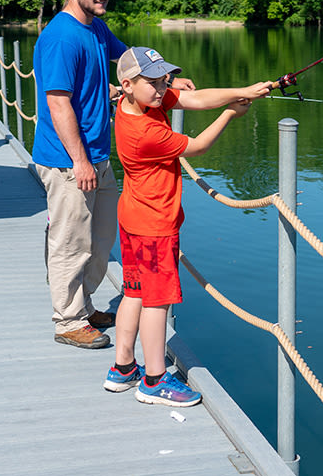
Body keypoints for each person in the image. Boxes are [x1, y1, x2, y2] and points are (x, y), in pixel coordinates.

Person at [32, 0, 195, 350]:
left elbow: (132, 64)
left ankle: (85, 307)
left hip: (98, 155)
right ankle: (68, 320)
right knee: (71, 241)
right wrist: (80, 159)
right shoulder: (60, 37)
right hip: (68, 160)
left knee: (101, 239)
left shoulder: (97, 29)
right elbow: (58, 104)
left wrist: (167, 81)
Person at [103, 46, 272, 406]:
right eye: (154, 82)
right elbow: (196, 146)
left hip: (132, 217)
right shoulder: (144, 130)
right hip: (154, 225)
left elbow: (196, 99)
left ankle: (122, 368)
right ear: (128, 83)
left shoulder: (139, 104)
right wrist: (230, 113)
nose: (163, 87)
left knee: (134, 292)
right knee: (157, 302)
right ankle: (154, 379)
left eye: (164, 79)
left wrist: (244, 90)